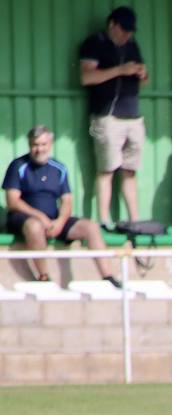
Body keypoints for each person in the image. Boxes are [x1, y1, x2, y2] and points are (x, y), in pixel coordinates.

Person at [3, 125, 120, 286]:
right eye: (35, 145)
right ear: (30, 145)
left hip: (53, 219)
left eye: (43, 144)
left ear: (50, 145)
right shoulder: (18, 166)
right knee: (35, 226)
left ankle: (108, 276)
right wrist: (40, 216)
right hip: (24, 219)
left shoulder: (59, 168)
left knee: (91, 227)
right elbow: (13, 201)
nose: (39, 149)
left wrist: (60, 222)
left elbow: (67, 201)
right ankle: (44, 277)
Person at [78, 5, 147, 229]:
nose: (127, 35)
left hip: (132, 115)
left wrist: (141, 73)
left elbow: (143, 80)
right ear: (112, 25)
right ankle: (104, 218)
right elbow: (86, 77)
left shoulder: (132, 45)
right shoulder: (94, 43)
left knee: (130, 169)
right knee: (106, 167)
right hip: (104, 117)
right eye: (123, 29)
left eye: (130, 31)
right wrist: (120, 70)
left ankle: (135, 218)